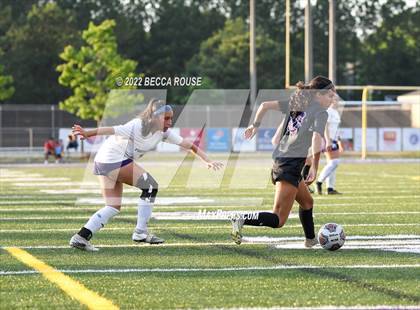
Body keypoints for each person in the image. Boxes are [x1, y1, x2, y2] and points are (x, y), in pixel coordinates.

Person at [69, 99, 223, 251]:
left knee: (112, 207)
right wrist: (87, 133)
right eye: (166, 118)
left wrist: (207, 161)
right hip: (113, 159)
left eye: (171, 118)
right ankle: (140, 233)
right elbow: (112, 129)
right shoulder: (137, 125)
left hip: (103, 161)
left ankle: (81, 237)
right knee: (150, 186)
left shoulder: (164, 132)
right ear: (155, 117)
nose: (170, 122)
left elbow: (189, 145)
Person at [230, 76, 336, 247]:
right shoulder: (320, 112)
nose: (332, 100)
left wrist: (255, 125)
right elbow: (317, 138)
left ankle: (310, 240)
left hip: (285, 161)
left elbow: (264, 106)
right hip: (289, 165)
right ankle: (240, 218)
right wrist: (315, 166)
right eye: (330, 96)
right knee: (278, 219)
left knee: (307, 202)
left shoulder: (296, 103)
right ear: (318, 95)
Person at [316, 98, 343, 195]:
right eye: (336, 100)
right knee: (334, 162)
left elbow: (336, 128)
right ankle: (319, 182)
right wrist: (328, 140)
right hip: (328, 140)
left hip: (334, 140)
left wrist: (339, 141)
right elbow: (325, 126)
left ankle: (330, 188)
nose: (337, 102)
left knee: (332, 164)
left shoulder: (335, 112)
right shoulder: (328, 111)